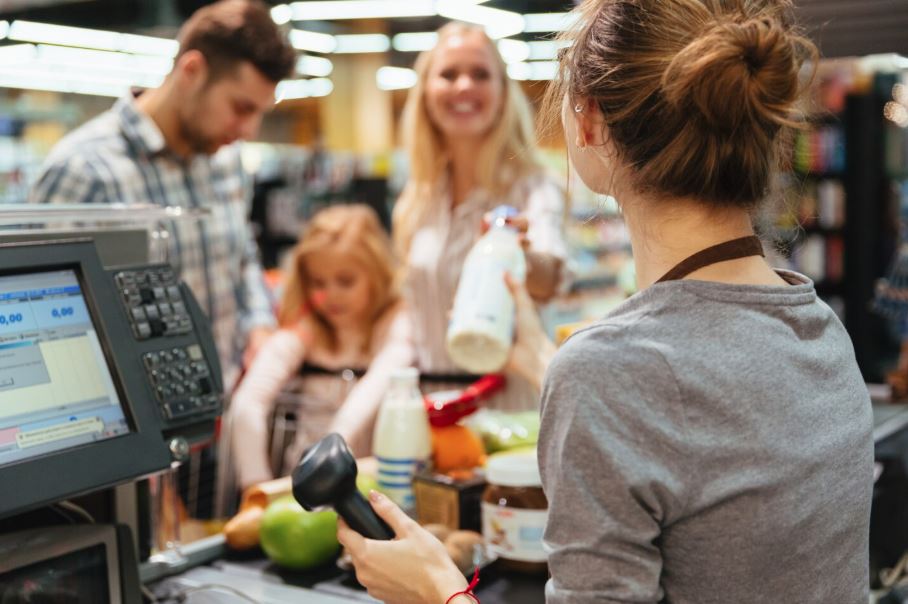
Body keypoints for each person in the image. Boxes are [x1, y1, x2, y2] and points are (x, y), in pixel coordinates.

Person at [338, 1, 873, 603]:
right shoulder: (820, 329)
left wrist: (437, 589)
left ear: (588, 122)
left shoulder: (612, 371)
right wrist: (548, 360)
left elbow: (647, 400)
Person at [28, 0, 296, 388]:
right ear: (192, 71)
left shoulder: (226, 159)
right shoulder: (83, 171)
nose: (250, 130)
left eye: (260, 112)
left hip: (230, 408)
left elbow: (242, 258)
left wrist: (258, 326)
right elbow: (38, 314)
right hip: (142, 428)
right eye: (241, 107)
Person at [392, 21, 570, 411]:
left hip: (511, 408)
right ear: (425, 92)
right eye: (448, 74)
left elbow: (551, 276)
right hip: (432, 410)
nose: (463, 87)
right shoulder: (416, 201)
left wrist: (519, 256)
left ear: (504, 93)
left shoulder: (533, 187)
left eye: (480, 74)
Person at [228, 204, 411, 492]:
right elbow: (247, 403)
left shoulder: (397, 322)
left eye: (346, 281)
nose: (331, 295)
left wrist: (334, 447)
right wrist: (256, 485)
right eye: (317, 282)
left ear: (376, 273)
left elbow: (385, 375)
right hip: (304, 487)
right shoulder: (306, 329)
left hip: (376, 485)